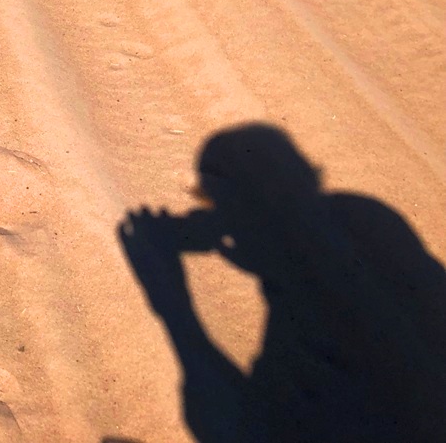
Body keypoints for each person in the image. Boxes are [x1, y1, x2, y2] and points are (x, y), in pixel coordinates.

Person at [119, 123, 446, 442]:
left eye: (219, 204)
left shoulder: (310, 312)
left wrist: (170, 298)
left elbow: (244, 424)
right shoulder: (366, 216)